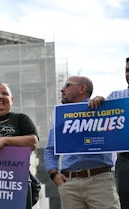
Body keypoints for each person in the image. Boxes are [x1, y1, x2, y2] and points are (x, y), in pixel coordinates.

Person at [44, 76, 120, 209]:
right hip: (69, 184)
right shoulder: (61, 118)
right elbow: (50, 149)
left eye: (67, 85)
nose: (62, 89)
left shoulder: (101, 109)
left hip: (100, 181)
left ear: (82, 88)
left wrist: (104, 105)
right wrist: (53, 173)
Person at [88, 57, 129, 209]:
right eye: (127, 70)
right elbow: (101, 118)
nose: (128, 74)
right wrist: (99, 101)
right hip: (125, 160)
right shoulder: (116, 97)